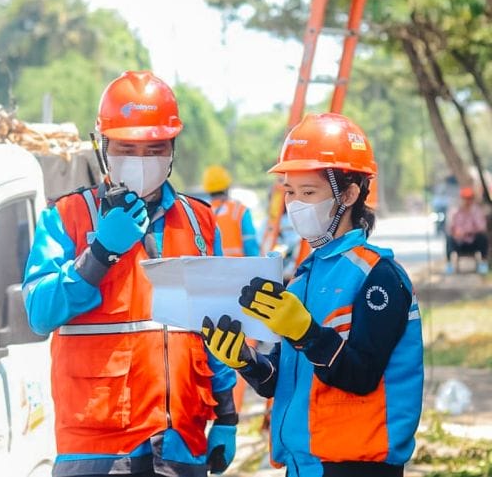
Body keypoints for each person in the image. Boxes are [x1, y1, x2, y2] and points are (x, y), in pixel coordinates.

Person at [22, 70, 238, 477]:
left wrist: (226, 412)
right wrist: (99, 253)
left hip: (180, 439)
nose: (141, 161)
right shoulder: (66, 217)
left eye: (154, 149)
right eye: (127, 148)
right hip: (97, 444)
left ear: (172, 149)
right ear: (102, 147)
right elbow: (39, 312)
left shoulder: (199, 223)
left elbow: (218, 326)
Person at [200, 112, 424, 477]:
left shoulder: (378, 277)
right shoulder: (303, 278)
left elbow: (361, 376)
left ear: (350, 194)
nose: (295, 204)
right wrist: (245, 360)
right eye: (290, 191)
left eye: (309, 192)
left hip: (356, 467)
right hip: (303, 465)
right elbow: (283, 380)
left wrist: (306, 333)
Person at [202, 165, 260, 257]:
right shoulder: (240, 210)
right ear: (227, 186)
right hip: (239, 268)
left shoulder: (202, 212)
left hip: (213, 269)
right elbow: (250, 243)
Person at [445, 186, 489, 275]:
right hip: (459, 242)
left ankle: (483, 264)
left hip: (473, 241)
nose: (467, 201)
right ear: (461, 198)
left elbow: (482, 227)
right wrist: (455, 232)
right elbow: (449, 227)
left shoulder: (476, 211)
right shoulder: (454, 211)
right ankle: (449, 265)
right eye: (465, 198)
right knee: (448, 238)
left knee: (483, 237)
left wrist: (468, 231)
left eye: (469, 198)